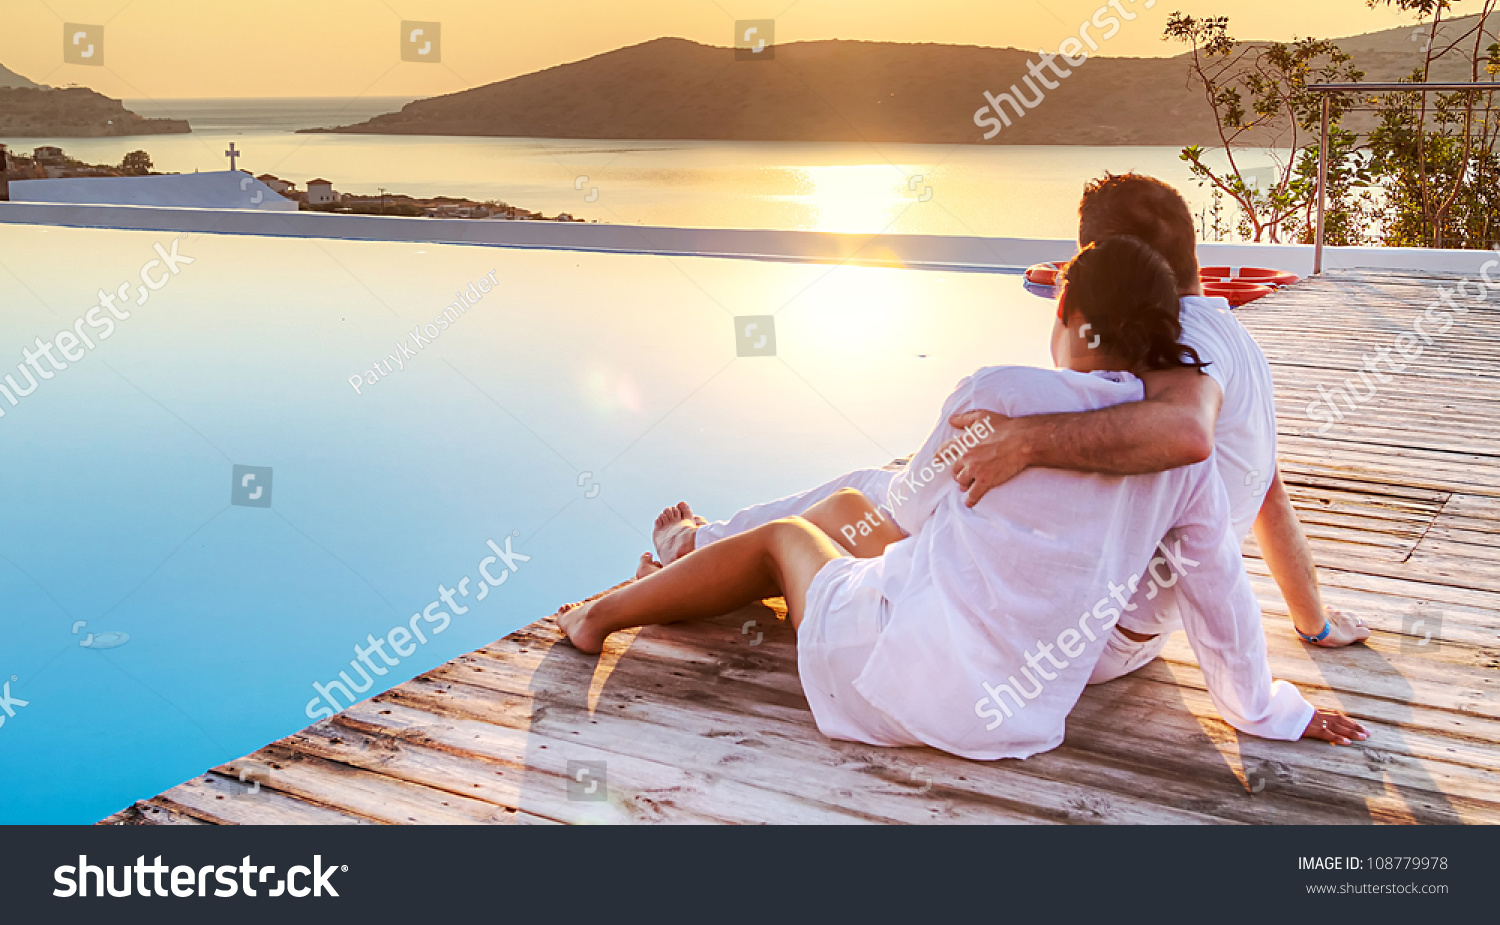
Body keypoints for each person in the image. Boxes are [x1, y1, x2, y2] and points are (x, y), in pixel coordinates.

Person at [560, 237, 1365, 759]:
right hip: (1016, 725)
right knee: (857, 551)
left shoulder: (1002, 393)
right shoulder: (1182, 459)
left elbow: (898, 513)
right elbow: (1219, 597)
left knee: (791, 537)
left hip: (884, 679)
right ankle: (691, 561)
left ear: (1075, 322)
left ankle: (598, 616)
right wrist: (1269, 711)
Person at [652, 173, 1369, 684]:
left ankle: (694, 553)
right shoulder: (1238, 343)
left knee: (873, 499)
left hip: (1082, 639)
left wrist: (1024, 440)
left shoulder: (1186, 344)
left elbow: (1186, 433)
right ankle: (712, 551)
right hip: (1131, 633)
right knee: (901, 496)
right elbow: (1267, 493)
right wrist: (1313, 622)